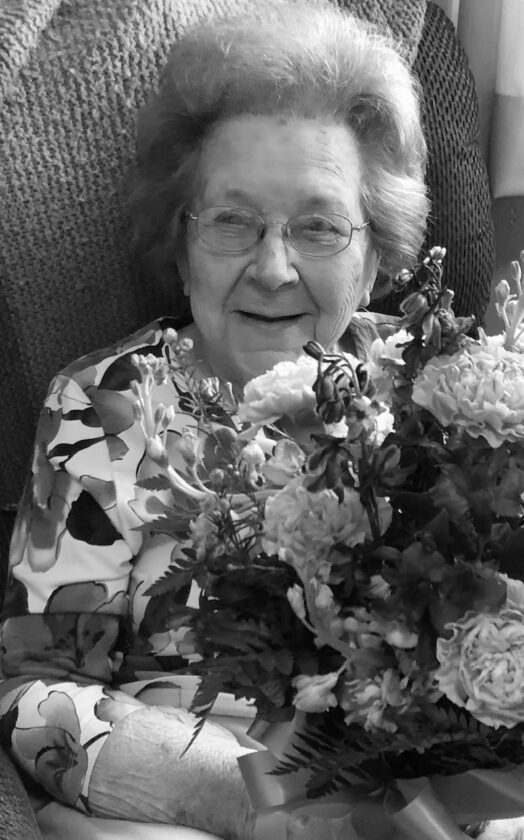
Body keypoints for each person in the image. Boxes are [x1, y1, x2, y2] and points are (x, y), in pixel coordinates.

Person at [0, 2, 428, 838]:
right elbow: (32, 690)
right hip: (179, 804)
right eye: (233, 222)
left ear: (377, 250)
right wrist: (248, 798)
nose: (273, 268)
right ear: (181, 240)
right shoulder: (104, 407)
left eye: (318, 227)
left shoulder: (435, 393)